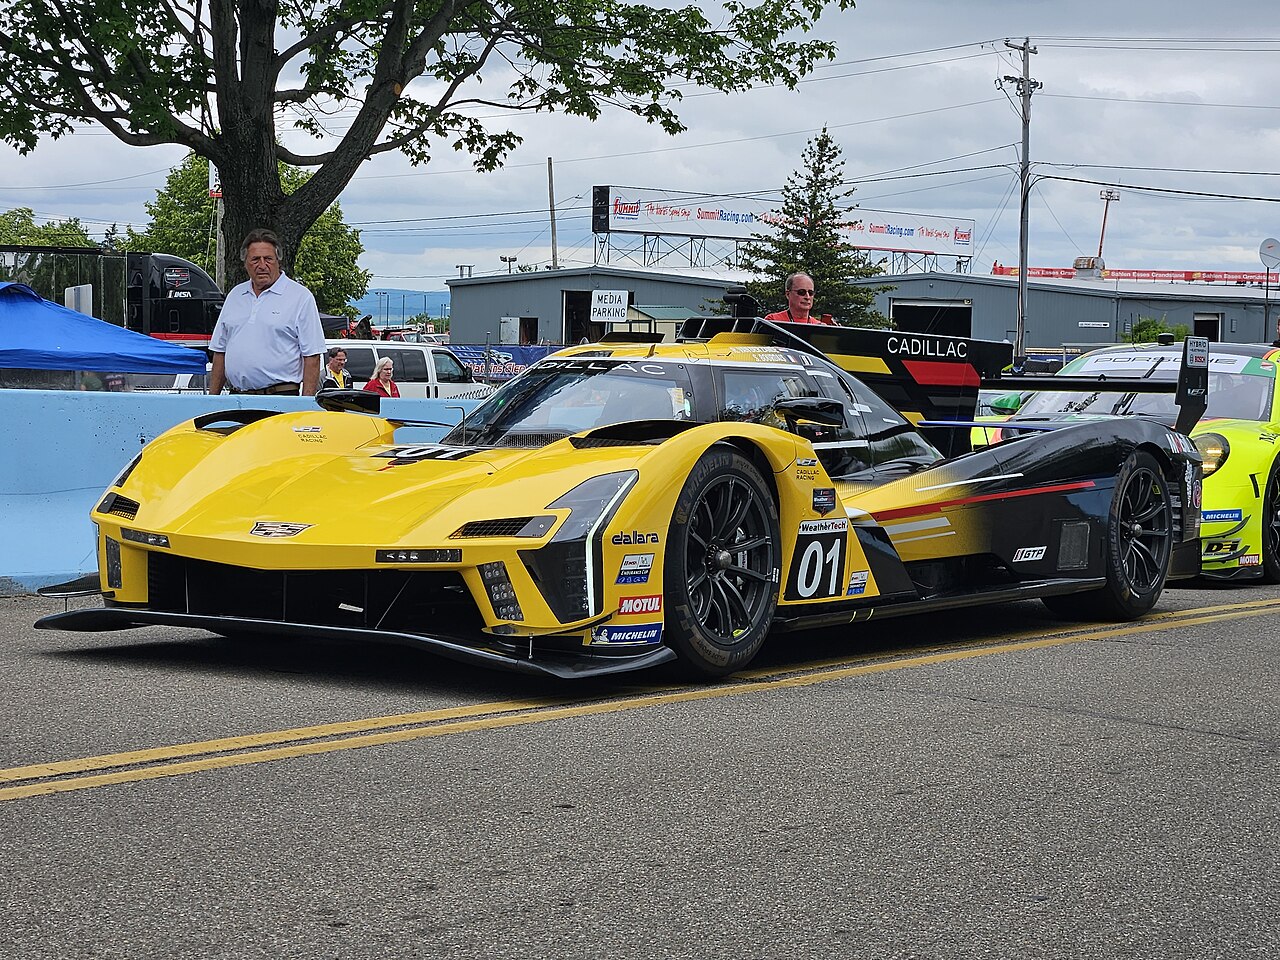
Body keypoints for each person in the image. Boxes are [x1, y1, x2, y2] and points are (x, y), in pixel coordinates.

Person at [206, 228, 325, 395]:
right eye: (255, 259)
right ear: (245, 263)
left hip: (279, 397)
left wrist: (305, 405)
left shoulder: (300, 297)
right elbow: (220, 351)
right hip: (236, 398)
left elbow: (312, 357)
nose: (262, 265)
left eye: (268, 259)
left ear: (278, 261)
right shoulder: (235, 295)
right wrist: (213, 400)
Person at [763, 272, 834, 325]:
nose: (807, 297)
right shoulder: (773, 320)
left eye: (811, 293)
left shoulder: (819, 326)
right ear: (788, 294)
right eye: (801, 292)